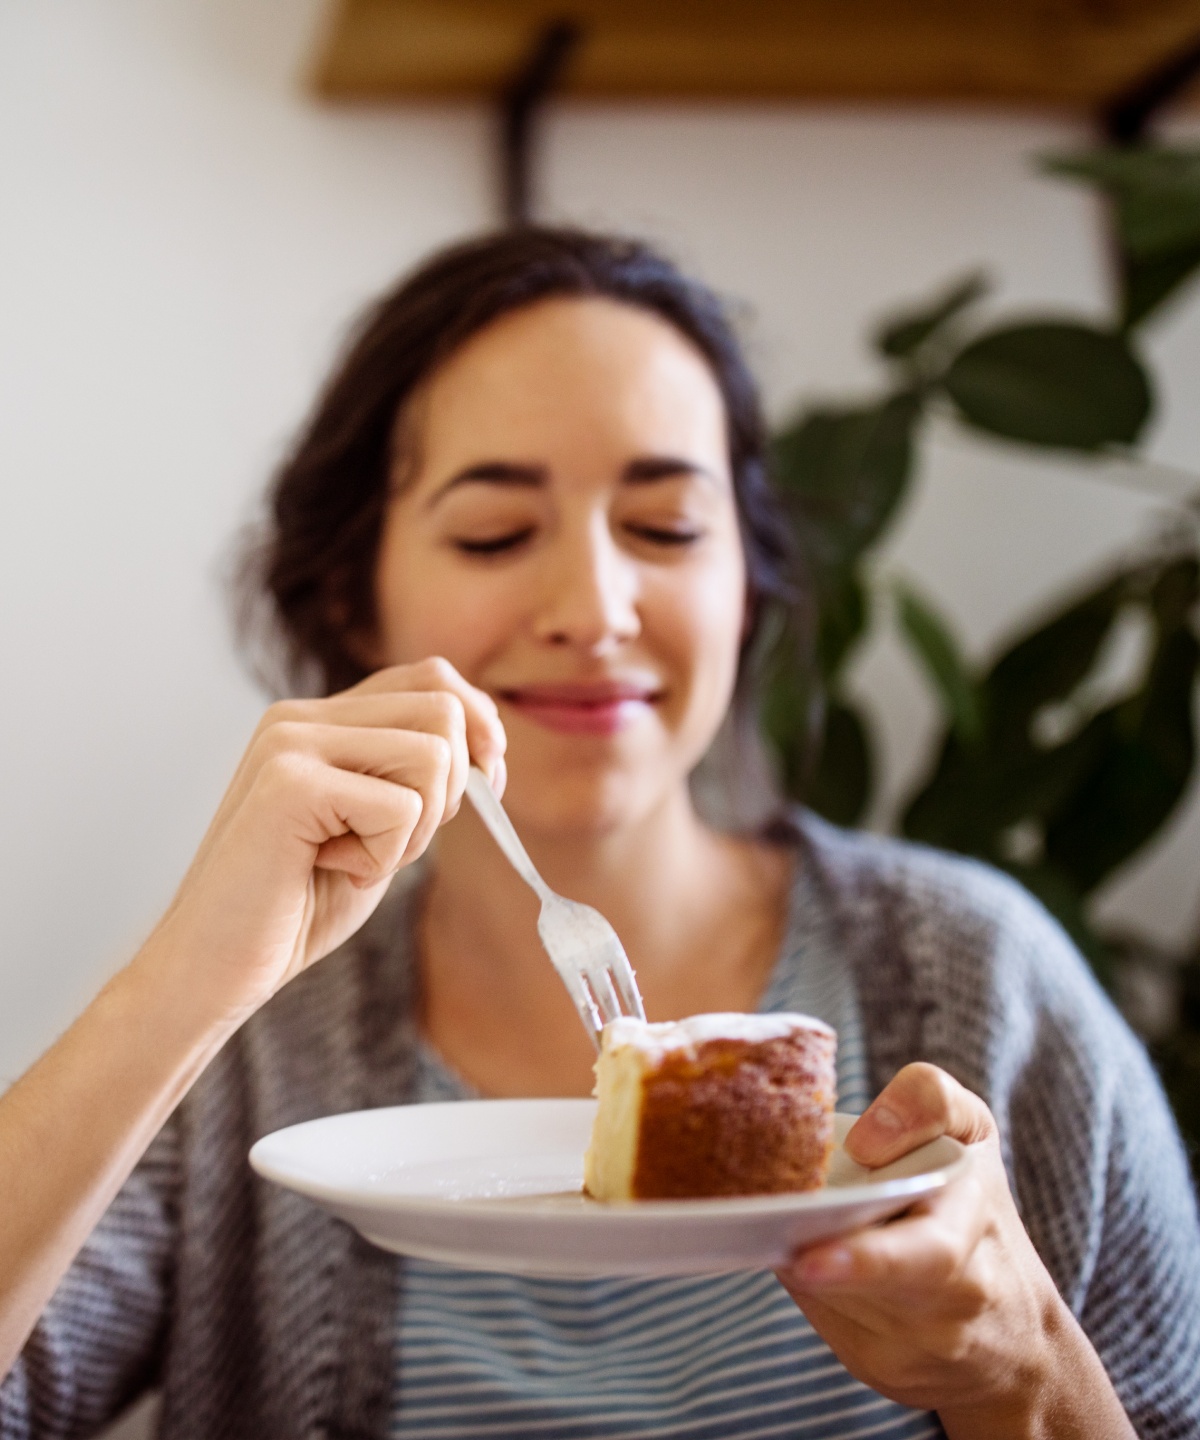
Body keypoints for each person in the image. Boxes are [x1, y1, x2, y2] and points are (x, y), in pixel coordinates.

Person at [1, 228, 1197, 1440]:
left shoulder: (987, 981)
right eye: (493, 534)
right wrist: (180, 987)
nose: (594, 610)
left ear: (748, 582)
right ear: (350, 595)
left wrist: (1027, 1369)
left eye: (668, 527)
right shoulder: (246, 1064)